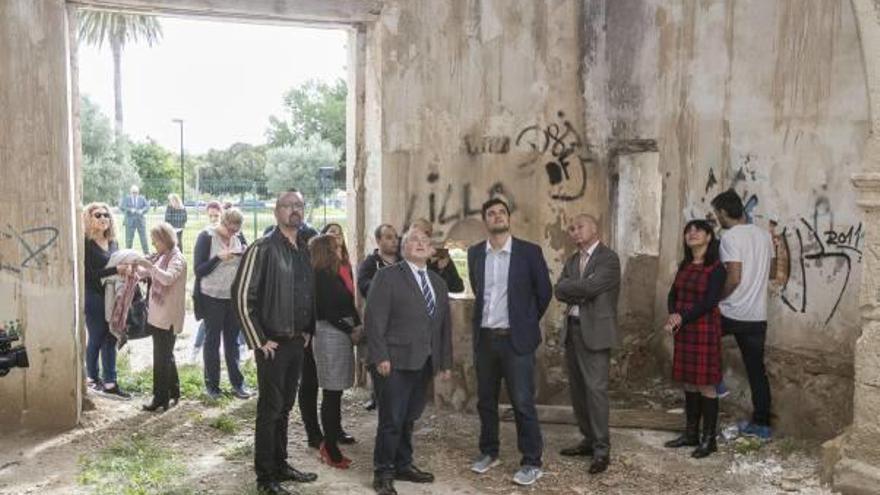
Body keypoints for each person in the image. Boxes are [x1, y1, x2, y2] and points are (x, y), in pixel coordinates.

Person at [232, 189, 318, 495]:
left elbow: (308, 292)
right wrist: (259, 340)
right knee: (270, 409)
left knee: (285, 407)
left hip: (297, 342)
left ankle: (281, 465)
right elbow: (242, 297)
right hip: (272, 345)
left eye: (299, 205)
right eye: (288, 205)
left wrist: (308, 330)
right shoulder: (262, 248)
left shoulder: (305, 248)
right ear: (276, 211)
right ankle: (265, 477)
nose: (294, 210)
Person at [466, 198, 552, 486]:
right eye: (491, 213)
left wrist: (524, 322)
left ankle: (531, 461)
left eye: (501, 212)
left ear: (508, 218)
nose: (497, 216)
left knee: (523, 402)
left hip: (516, 341)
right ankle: (489, 452)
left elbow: (544, 293)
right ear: (485, 221)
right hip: (486, 340)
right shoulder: (476, 253)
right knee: (486, 402)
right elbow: (479, 292)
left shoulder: (529, 252)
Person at [366, 227, 453, 495]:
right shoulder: (387, 276)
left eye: (425, 241)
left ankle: (403, 464)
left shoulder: (438, 283)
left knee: (409, 417)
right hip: (393, 361)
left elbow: (443, 327)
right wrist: (380, 356)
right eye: (413, 239)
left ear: (431, 251)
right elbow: (373, 319)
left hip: (424, 361)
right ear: (404, 248)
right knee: (391, 419)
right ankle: (383, 472)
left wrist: (445, 363)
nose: (419, 243)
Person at [554, 213, 620, 475]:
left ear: (595, 228)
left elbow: (592, 288)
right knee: (578, 390)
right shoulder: (572, 260)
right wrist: (579, 287)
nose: (575, 231)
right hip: (572, 330)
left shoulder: (609, 259)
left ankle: (602, 449)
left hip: (596, 332)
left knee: (596, 390)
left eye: (580, 226)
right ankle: (588, 439)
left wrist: (576, 287)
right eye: (572, 228)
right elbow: (558, 290)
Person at [711, 189, 778, 440]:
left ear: (724, 212)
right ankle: (762, 425)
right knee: (756, 371)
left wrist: (717, 298)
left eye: (717, 213)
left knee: (698, 336)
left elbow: (734, 277)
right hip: (756, 316)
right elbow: (771, 273)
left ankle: (715, 383)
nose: (717, 217)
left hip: (731, 311)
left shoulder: (730, 237)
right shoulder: (763, 235)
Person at [663, 220, 726, 458]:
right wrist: (672, 314)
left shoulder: (717, 268)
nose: (692, 233)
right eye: (688, 230)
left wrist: (681, 316)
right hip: (684, 328)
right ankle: (691, 434)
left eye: (698, 230)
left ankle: (709, 440)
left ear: (709, 237)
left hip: (704, 328)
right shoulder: (685, 265)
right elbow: (673, 294)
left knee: (706, 383)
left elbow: (709, 302)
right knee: (689, 381)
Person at [299, 222, 357, 448]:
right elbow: (322, 305)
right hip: (313, 333)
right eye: (332, 237)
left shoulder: (344, 266)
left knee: (333, 387)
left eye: (339, 235)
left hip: (333, 331)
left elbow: (348, 299)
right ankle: (314, 433)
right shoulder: (314, 270)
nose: (337, 240)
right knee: (311, 382)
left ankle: (334, 430)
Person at [310, 234, 363, 468]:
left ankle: (333, 440)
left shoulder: (335, 274)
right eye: (336, 247)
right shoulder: (320, 276)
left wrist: (357, 324)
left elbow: (348, 304)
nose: (340, 249)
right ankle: (329, 447)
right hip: (330, 334)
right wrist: (350, 330)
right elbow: (328, 312)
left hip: (341, 332)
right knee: (331, 392)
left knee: (337, 391)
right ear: (326, 251)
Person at [194, 208, 250, 400]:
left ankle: (238, 383)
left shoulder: (239, 237)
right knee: (212, 340)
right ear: (223, 223)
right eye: (230, 229)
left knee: (233, 341)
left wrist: (243, 253)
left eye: (236, 230)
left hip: (232, 297)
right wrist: (218, 258)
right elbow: (199, 270)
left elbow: (247, 260)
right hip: (211, 296)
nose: (232, 233)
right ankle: (212, 386)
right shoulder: (206, 237)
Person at [136, 222, 187, 412]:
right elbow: (148, 273)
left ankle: (160, 398)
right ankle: (174, 391)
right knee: (166, 355)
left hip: (168, 316)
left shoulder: (177, 259)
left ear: (166, 240)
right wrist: (135, 268)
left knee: (161, 358)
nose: (153, 244)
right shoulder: (162, 256)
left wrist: (149, 267)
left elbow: (166, 278)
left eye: (156, 241)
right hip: (158, 315)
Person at [82, 202, 131, 399]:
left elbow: (117, 267)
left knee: (111, 336)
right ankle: (92, 379)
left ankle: (110, 382)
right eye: (98, 215)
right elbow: (89, 274)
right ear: (89, 219)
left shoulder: (113, 243)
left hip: (112, 296)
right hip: (93, 296)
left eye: (106, 215)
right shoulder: (86, 243)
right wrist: (115, 270)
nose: (103, 218)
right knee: (96, 337)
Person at [356, 223, 401, 412]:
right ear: (379, 240)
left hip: (401, 327)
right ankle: (380, 400)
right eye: (389, 237)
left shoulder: (404, 261)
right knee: (379, 367)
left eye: (395, 237)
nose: (394, 241)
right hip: (380, 326)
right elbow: (365, 287)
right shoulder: (369, 263)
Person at [410, 218, 464, 293]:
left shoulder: (439, 255)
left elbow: (458, 287)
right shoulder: (404, 257)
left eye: (426, 234)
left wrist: (443, 269)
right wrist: (437, 269)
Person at [120, 185, 150, 253]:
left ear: (138, 192)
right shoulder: (126, 198)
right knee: (129, 240)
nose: (135, 194)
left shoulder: (142, 198)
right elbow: (122, 207)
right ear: (130, 192)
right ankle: (128, 255)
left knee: (144, 239)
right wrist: (130, 210)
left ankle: (147, 254)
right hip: (129, 222)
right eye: (133, 192)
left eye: (136, 192)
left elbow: (147, 206)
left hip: (140, 221)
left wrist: (142, 210)